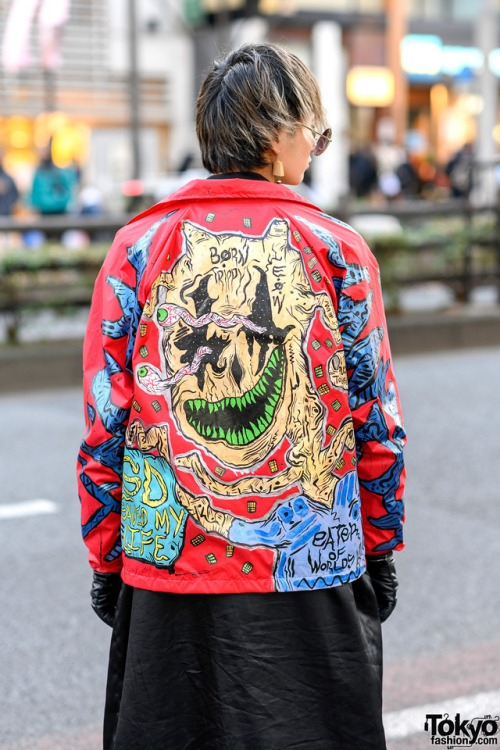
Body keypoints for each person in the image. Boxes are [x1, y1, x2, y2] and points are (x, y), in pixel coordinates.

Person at [77, 43, 406, 750]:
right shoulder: (337, 248)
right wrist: (379, 544)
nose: (316, 150)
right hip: (311, 564)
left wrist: (108, 555)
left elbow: (104, 423)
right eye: (315, 133)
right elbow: (376, 421)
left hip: (168, 568)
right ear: (279, 133)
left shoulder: (138, 248)